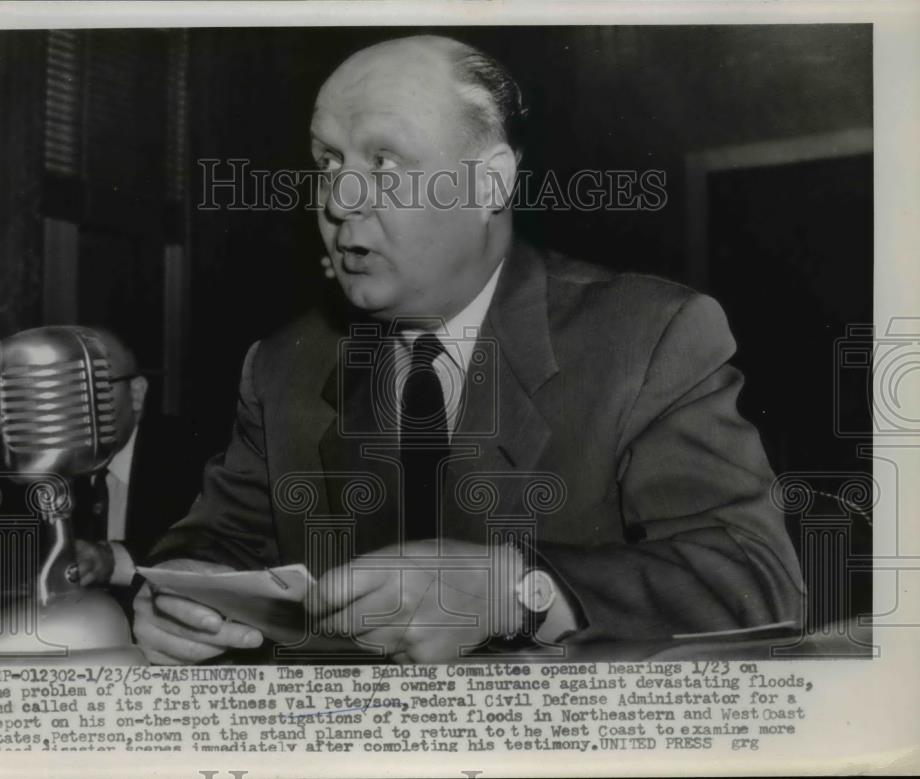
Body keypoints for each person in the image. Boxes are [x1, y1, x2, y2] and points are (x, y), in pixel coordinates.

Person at [132, 35, 804, 665]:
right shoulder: (283, 365)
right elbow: (215, 542)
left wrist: (514, 589)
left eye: (385, 162)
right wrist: (181, 589)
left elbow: (757, 579)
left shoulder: (651, 336)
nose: (338, 199)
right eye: (328, 162)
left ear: (491, 183)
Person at [72, 330, 201, 596]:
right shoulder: (49, 469)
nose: (78, 405)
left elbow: (193, 551)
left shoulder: (193, 459)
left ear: (137, 392)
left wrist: (109, 559)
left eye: (94, 386)